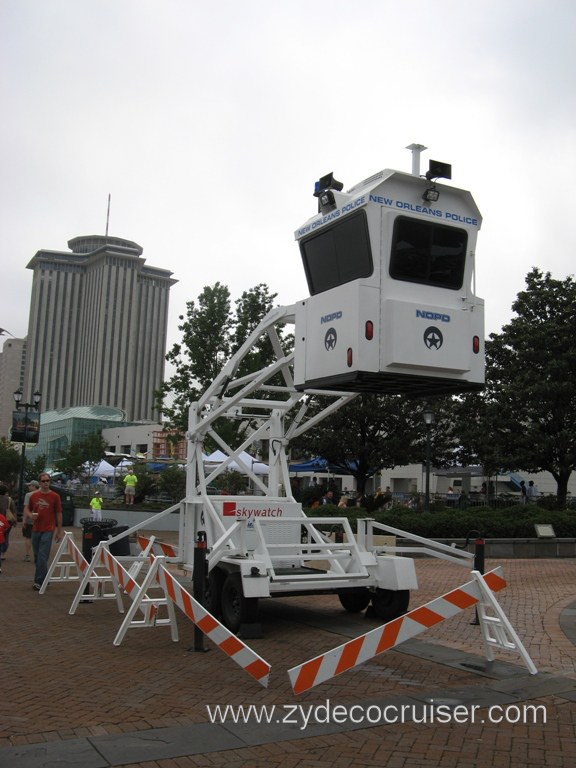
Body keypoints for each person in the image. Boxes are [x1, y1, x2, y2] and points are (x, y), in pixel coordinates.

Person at [28, 473, 63, 590]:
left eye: (47, 480)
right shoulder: (34, 496)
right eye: (43, 481)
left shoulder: (55, 496)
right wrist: (29, 515)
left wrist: (59, 530)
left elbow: (58, 513)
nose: (46, 483)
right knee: (37, 556)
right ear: (40, 483)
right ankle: (45, 577)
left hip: (48, 529)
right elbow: (27, 508)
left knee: (43, 556)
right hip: (35, 529)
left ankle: (38, 582)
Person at [22, 479, 40, 561]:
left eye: (30, 485)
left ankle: (27, 555)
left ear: (33, 486)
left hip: (30, 518)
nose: (29, 487)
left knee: (28, 537)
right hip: (40, 519)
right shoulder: (42, 493)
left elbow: (26, 508)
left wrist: (24, 520)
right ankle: (38, 555)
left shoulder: (28, 495)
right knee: (39, 538)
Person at [0, 485, 17, 560]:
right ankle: (3, 553)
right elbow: (13, 511)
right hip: (7, 521)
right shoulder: (9, 500)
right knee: (5, 537)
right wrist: (15, 520)